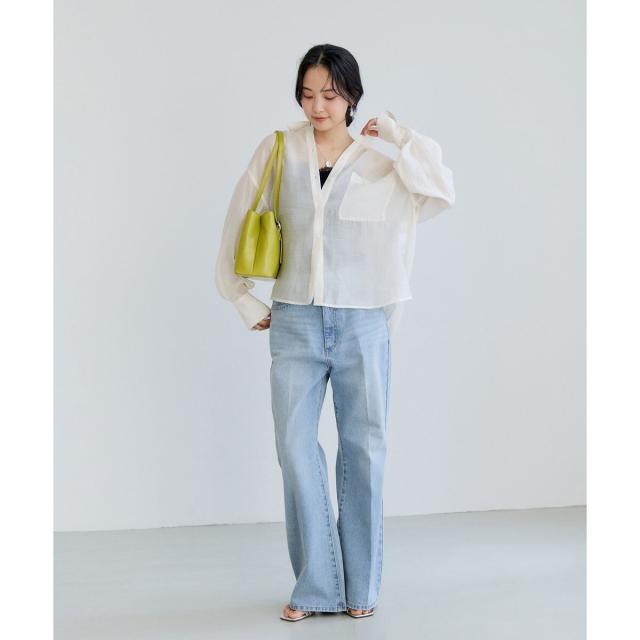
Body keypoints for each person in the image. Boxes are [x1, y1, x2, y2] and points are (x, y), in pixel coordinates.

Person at [215, 44, 455, 621]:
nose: (317, 106)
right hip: (294, 320)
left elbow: (439, 189)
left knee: (364, 453)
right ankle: (317, 586)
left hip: (364, 323)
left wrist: (398, 134)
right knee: (295, 451)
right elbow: (237, 219)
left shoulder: (379, 163)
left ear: (352, 96)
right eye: (307, 94)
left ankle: (360, 590)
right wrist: (242, 298)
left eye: (330, 94)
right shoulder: (278, 149)